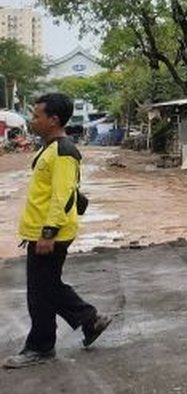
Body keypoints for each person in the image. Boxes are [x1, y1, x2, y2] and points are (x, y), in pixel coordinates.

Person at [5, 92, 112, 369]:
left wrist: (48, 233)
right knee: (46, 288)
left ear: (53, 120)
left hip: (51, 233)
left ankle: (42, 347)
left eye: (36, 115)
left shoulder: (63, 151)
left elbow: (62, 196)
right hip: (41, 231)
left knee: (41, 291)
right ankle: (89, 321)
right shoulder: (51, 148)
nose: (32, 120)